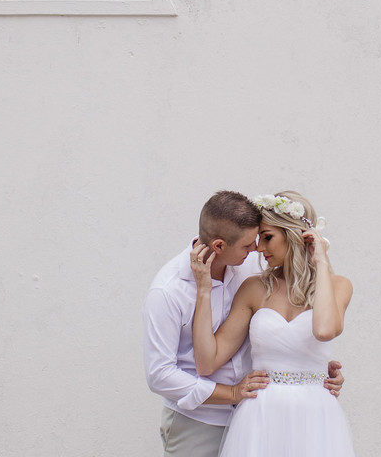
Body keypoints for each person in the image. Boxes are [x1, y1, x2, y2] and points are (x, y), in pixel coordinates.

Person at [144, 190, 344, 456]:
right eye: (251, 243)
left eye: (264, 238)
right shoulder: (168, 291)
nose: (257, 250)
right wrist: (204, 290)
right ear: (219, 246)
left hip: (280, 413)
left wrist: (312, 366)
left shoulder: (250, 264)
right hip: (203, 417)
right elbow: (162, 374)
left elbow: (320, 331)